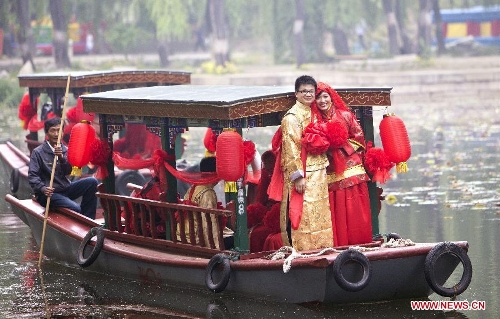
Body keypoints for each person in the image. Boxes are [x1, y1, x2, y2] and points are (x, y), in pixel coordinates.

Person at [311, 82, 372, 246]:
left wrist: (341, 146)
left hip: (352, 168)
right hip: (329, 172)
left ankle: (361, 243)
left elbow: (359, 139)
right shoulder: (313, 121)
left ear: (331, 97)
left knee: (355, 212)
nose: (322, 101)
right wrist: (326, 146)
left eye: (325, 96)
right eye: (318, 98)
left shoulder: (345, 115)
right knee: (336, 212)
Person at [278, 75, 333, 251]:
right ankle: (304, 249)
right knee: (304, 213)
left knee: (321, 212)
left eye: (311, 91)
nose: (308, 95)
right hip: (304, 173)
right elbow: (290, 148)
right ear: (297, 93)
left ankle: (324, 247)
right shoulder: (292, 117)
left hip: (319, 170)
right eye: (304, 91)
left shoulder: (314, 113)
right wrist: (297, 176)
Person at [28, 117, 98, 219]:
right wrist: (43, 188)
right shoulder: (38, 152)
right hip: (48, 193)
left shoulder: (66, 150)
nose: (56, 134)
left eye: (59, 130)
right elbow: (32, 176)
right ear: (47, 133)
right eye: (53, 131)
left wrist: (61, 158)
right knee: (76, 208)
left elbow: (69, 172)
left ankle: (88, 220)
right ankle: (81, 218)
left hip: (65, 188)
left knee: (92, 182)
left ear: (63, 132)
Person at [180, 156, 233, 249]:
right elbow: (208, 223)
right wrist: (215, 249)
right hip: (196, 238)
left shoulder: (194, 186)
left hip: (185, 234)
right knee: (235, 239)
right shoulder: (208, 193)